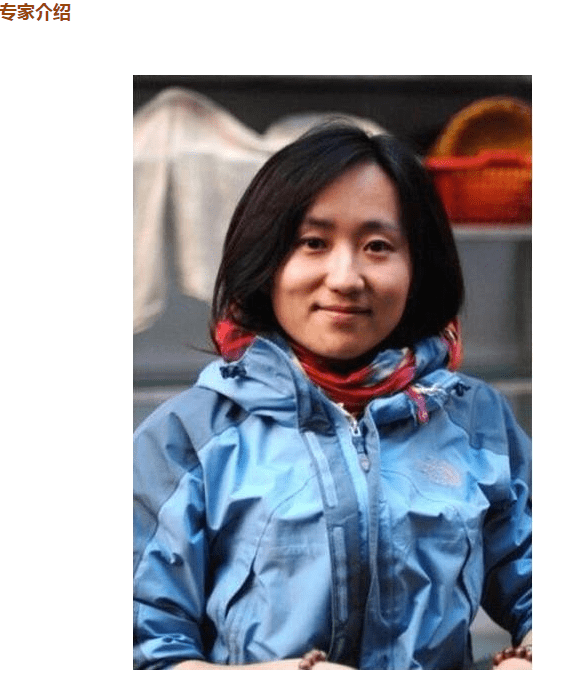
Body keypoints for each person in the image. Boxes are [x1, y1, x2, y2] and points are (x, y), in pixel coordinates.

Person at [133, 123, 532, 670]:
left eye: (377, 246)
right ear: (267, 260)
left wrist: (531, 658)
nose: (345, 278)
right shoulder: (187, 437)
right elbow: (141, 647)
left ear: (418, 266)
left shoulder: (477, 421)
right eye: (313, 243)